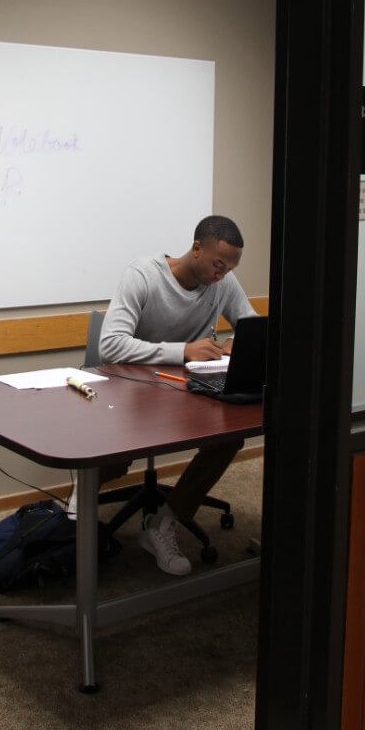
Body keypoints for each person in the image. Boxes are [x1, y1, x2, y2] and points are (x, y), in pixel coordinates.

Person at [94, 214, 257, 576]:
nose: (222, 276)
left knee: (229, 437)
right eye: (218, 265)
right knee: (111, 456)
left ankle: (165, 522)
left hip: (188, 392)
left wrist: (239, 344)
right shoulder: (143, 275)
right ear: (196, 248)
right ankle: (77, 515)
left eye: (230, 268)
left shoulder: (223, 283)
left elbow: (252, 325)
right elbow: (110, 346)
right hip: (132, 391)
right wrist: (183, 351)